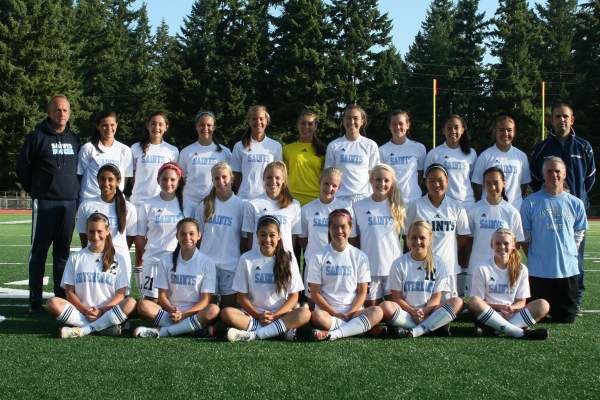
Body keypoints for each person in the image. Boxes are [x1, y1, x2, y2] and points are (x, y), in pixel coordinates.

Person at [16, 94, 80, 314]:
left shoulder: (74, 139)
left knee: (62, 253)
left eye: (65, 110)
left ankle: (60, 297)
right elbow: (22, 168)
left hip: (69, 203)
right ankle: (35, 301)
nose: (61, 113)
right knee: (39, 252)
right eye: (57, 110)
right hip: (44, 203)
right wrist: (36, 191)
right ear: (49, 112)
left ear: (69, 113)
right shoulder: (36, 137)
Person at [530, 102, 595, 315]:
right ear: (552, 120)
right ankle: (544, 299)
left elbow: (589, 179)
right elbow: (535, 176)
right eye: (557, 116)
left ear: (572, 119)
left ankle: (575, 300)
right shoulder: (541, 147)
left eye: (565, 116)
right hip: (547, 211)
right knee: (545, 255)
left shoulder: (583, 147)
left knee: (575, 258)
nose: (562, 120)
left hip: (573, 213)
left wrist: (575, 200)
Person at [46, 213, 136, 338]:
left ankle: (83, 330)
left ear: (107, 232)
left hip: (107, 312)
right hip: (81, 312)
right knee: (52, 303)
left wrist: (102, 310)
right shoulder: (75, 258)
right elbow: (69, 293)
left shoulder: (119, 259)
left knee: (130, 302)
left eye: (99, 231)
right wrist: (85, 310)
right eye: (91, 231)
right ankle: (102, 328)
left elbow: (121, 294)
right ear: (86, 233)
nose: (95, 236)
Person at [222, 215, 310, 342]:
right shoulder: (246, 259)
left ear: (279, 236)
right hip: (254, 316)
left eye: (272, 235)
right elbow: (241, 296)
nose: (267, 239)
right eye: (263, 235)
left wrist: (276, 315)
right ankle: (280, 332)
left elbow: (294, 296)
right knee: (226, 313)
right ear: (257, 236)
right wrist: (257, 315)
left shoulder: (289, 258)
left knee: (305, 313)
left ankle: (253, 334)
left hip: (281, 315)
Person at [521, 157, 587, 323]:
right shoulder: (530, 202)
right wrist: (537, 256)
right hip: (539, 273)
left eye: (557, 171)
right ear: (543, 174)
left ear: (564, 174)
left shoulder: (576, 203)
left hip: (567, 272)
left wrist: (568, 251)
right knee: (537, 317)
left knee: (566, 318)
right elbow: (525, 236)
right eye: (549, 171)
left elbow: (579, 232)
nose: (554, 175)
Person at [134, 218, 220, 338]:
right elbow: (162, 296)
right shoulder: (166, 260)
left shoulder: (207, 262)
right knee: (143, 305)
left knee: (213, 309)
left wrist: (184, 315)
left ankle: (163, 332)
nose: (187, 237)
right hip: (171, 313)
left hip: (194, 313)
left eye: (191, 234)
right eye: (183, 234)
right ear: (177, 236)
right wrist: (171, 310)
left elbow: (205, 300)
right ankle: (189, 328)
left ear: (199, 236)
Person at [308, 209, 384, 341]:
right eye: (334, 227)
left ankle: (335, 333)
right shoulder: (317, 256)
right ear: (329, 229)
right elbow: (315, 293)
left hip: (354, 312)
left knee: (377, 311)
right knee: (317, 316)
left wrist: (350, 313)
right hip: (328, 313)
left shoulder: (360, 256)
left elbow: (362, 292)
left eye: (343, 226)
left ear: (350, 228)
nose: (339, 231)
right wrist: (334, 313)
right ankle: (358, 329)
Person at [380, 220, 462, 338]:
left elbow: (436, 297)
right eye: (414, 238)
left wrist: (425, 311)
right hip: (407, 313)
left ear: (430, 239)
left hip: (430, 312)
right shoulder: (399, 263)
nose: (418, 242)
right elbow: (396, 297)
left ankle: (415, 330)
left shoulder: (439, 263)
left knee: (457, 302)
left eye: (422, 238)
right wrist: (412, 311)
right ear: (407, 239)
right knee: (385, 306)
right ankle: (432, 327)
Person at [468, 228, 550, 340]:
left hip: (512, 315)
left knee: (543, 305)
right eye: (497, 243)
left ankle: (497, 330)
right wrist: (499, 307)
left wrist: (512, 308)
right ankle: (518, 332)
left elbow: (521, 302)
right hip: (490, 314)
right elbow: (479, 301)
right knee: (474, 301)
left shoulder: (521, 269)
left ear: (513, 245)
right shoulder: (482, 268)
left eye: (506, 243)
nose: (502, 247)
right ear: (491, 245)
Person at [404, 164, 471, 297]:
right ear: (425, 183)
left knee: (448, 307)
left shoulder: (457, 207)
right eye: (431, 181)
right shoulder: (415, 206)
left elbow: (464, 237)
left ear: (447, 181)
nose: (436, 184)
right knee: (422, 305)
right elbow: (407, 237)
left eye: (440, 180)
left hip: (448, 268)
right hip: (421, 267)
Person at [299, 167, 355, 302]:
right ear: (320, 182)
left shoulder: (346, 208)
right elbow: (303, 239)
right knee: (313, 307)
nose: (329, 188)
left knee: (335, 303)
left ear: (339, 187)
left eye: (334, 185)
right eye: (326, 183)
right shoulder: (307, 209)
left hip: (337, 265)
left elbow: (350, 238)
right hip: (314, 264)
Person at [76, 164, 137, 285]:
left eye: (110, 179)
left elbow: (130, 236)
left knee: (120, 298)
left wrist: (116, 253)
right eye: (102, 179)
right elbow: (83, 234)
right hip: (93, 257)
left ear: (118, 181)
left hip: (119, 258)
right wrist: (92, 252)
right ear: (97, 181)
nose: (106, 183)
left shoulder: (128, 207)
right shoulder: (86, 205)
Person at [353, 164, 405, 305]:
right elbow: (354, 240)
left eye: (386, 180)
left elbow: (409, 239)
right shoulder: (359, 206)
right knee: (372, 310)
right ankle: (376, 328)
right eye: (378, 180)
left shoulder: (399, 206)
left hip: (393, 268)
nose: (382, 184)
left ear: (392, 182)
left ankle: (395, 328)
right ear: (371, 180)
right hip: (369, 268)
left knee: (393, 308)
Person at [194, 162, 244, 307]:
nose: (221, 181)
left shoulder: (241, 206)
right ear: (212, 180)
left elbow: (244, 239)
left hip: (231, 265)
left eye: (224, 177)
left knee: (228, 310)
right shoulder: (204, 205)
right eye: (216, 178)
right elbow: (198, 237)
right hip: (208, 265)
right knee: (210, 310)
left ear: (232, 178)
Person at [466, 166, 524, 293]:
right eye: (488, 183)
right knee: (476, 306)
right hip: (477, 266)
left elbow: (516, 244)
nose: (492, 187)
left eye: (496, 183)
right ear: (483, 185)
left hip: (501, 270)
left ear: (504, 183)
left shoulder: (512, 212)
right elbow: (468, 241)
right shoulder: (474, 210)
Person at [135, 162, 185, 298]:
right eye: (164, 179)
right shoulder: (147, 205)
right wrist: (148, 254)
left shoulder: (188, 205)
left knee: (175, 302)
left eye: (173, 179)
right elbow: (139, 236)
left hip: (177, 262)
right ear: (158, 180)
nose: (168, 183)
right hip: (153, 262)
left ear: (179, 181)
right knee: (150, 304)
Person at [242, 161, 301, 255]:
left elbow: (293, 238)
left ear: (283, 180)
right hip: (259, 261)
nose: (273, 181)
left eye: (277, 178)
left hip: (284, 262)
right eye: (269, 177)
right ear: (264, 179)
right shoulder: (252, 204)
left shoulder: (294, 205)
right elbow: (250, 238)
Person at [179, 111, 232, 216]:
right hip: (191, 202)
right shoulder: (186, 152)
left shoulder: (224, 152)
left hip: (215, 200)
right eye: (202, 125)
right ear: (196, 127)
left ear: (214, 127)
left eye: (209, 125)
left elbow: (230, 178)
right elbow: (182, 178)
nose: (205, 128)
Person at [472, 115, 531, 209]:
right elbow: (477, 185)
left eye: (509, 130)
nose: (505, 133)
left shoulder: (521, 156)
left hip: (515, 209)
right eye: (501, 130)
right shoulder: (485, 156)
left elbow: (524, 186)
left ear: (514, 132)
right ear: (495, 132)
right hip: (489, 209)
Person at [325, 104, 380, 203]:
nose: (351, 122)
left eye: (355, 118)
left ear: (362, 121)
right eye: (348, 118)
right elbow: (328, 175)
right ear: (343, 121)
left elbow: (374, 175)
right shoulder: (334, 145)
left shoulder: (371, 145)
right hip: (340, 198)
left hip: (364, 198)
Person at [77, 111, 133, 201]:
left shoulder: (125, 150)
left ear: (117, 125)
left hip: (115, 201)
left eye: (112, 125)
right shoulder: (88, 148)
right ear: (98, 126)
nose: (109, 128)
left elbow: (124, 178)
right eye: (105, 125)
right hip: (90, 200)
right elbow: (80, 175)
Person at [424, 115, 477, 208]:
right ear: (443, 130)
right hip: (444, 205)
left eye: (456, 127)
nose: (453, 131)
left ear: (463, 130)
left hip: (467, 205)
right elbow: (427, 181)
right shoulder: (434, 153)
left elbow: (474, 181)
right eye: (449, 128)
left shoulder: (471, 153)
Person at [231, 105, 282, 200]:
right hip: (244, 199)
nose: (258, 122)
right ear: (249, 122)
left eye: (261, 119)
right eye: (254, 119)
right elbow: (235, 176)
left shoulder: (276, 146)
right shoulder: (239, 146)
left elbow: (279, 175)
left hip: (268, 199)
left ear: (267, 121)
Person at [130, 111, 179, 205]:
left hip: (161, 201)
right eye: (153, 124)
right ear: (147, 126)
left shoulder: (173, 151)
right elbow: (132, 176)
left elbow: (174, 178)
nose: (156, 127)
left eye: (160, 124)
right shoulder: (135, 148)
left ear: (166, 127)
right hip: (138, 202)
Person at [378, 110, 426, 204]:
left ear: (408, 125)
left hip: (414, 200)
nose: (397, 127)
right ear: (389, 126)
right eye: (394, 124)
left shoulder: (419, 148)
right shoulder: (382, 150)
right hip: (391, 200)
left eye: (401, 123)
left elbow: (420, 174)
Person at [283, 111, 326, 206]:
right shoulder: (287, 149)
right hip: (292, 199)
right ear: (298, 125)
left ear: (315, 126)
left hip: (315, 199)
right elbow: (283, 177)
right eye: (303, 123)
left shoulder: (323, 150)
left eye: (310, 124)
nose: (306, 127)